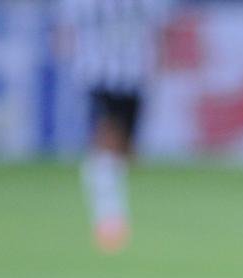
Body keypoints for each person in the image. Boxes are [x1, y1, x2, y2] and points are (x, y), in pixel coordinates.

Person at [57, 0, 172, 253]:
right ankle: (109, 219)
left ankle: (112, 209)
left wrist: (157, 71)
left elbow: (159, 30)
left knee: (126, 154)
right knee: (106, 141)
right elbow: (65, 32)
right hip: (97, 76)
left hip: (134, 77)